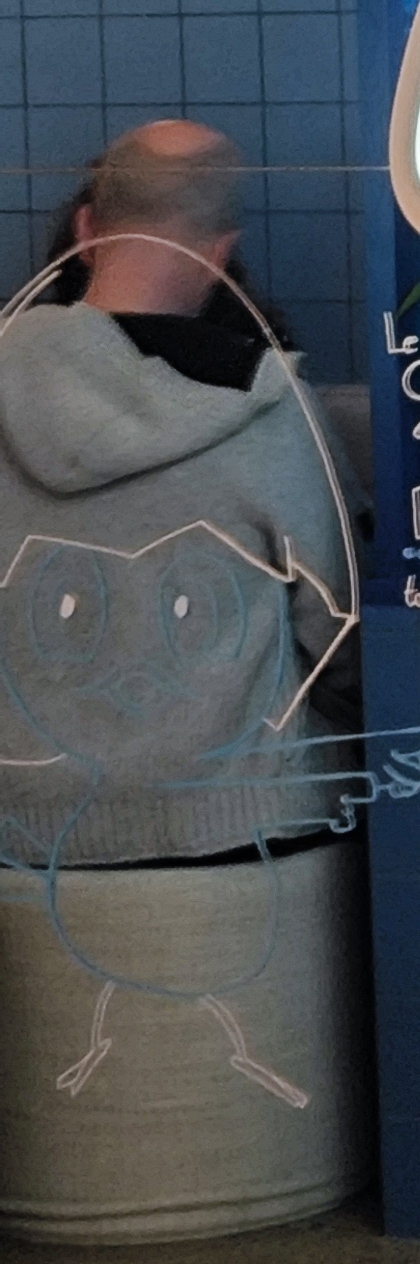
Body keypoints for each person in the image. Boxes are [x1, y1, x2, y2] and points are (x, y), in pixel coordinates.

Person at [0, 121, 357, 868]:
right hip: (238, 832)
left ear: (85, 230)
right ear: (219, 255)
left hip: (26, 837)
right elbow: (338, 636)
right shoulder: (267, 404)